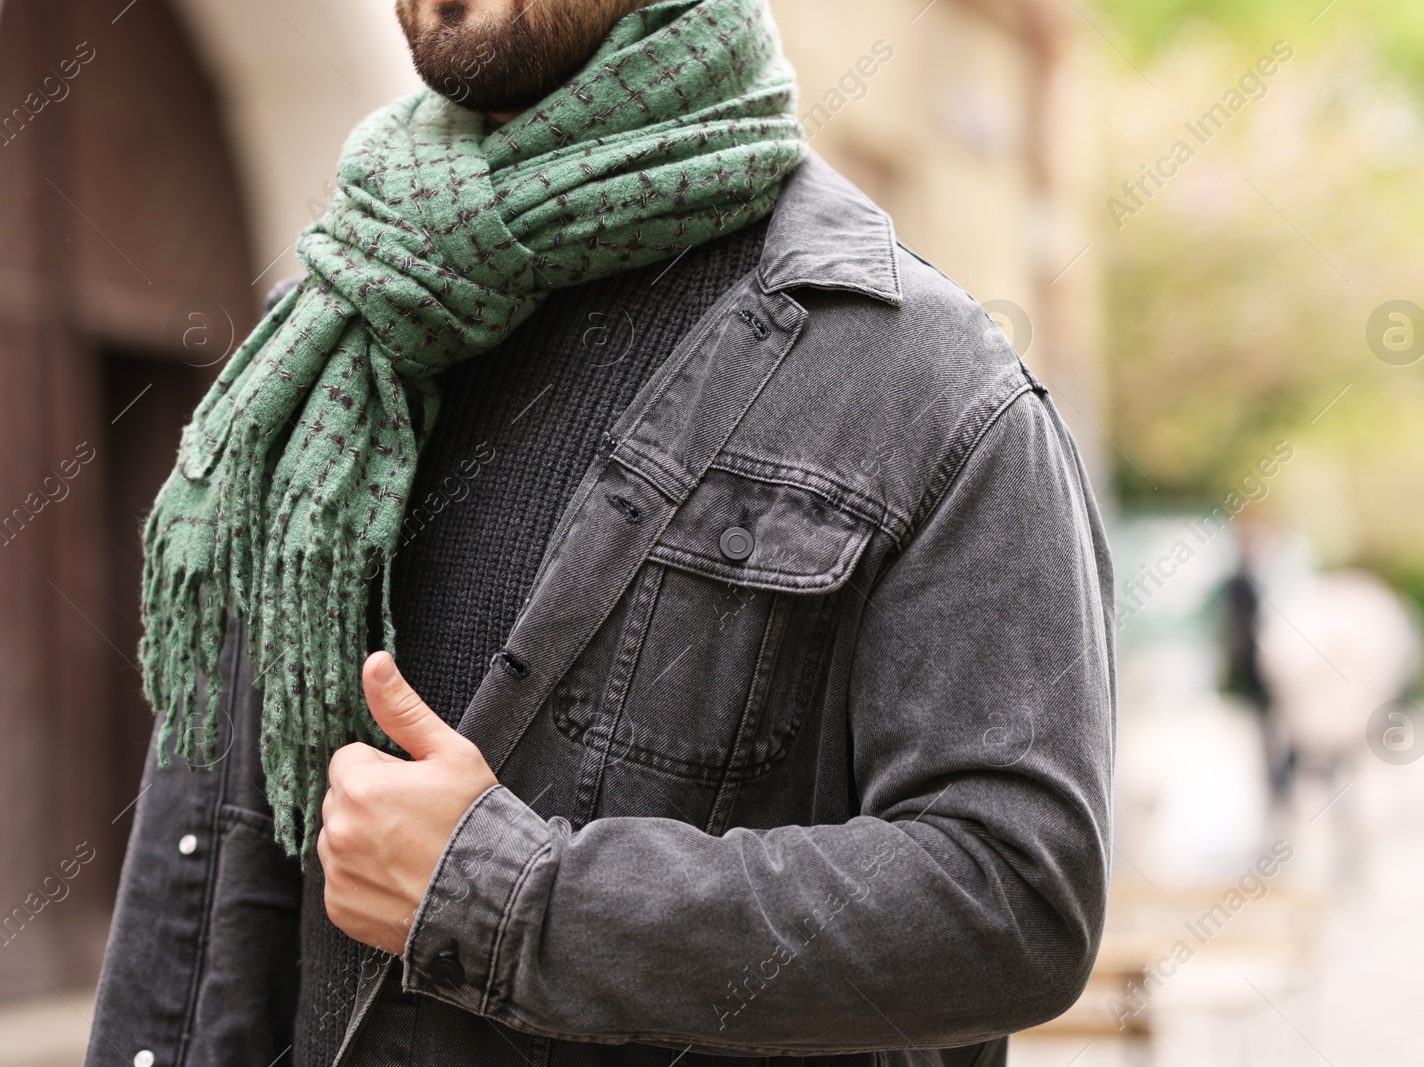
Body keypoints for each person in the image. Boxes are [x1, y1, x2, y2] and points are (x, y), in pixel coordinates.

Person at [87, 1, 1116, 1065]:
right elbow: (206, 863)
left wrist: (512, 899)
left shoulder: (931, 386)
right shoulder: (335, 328)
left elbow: (1012, 896)